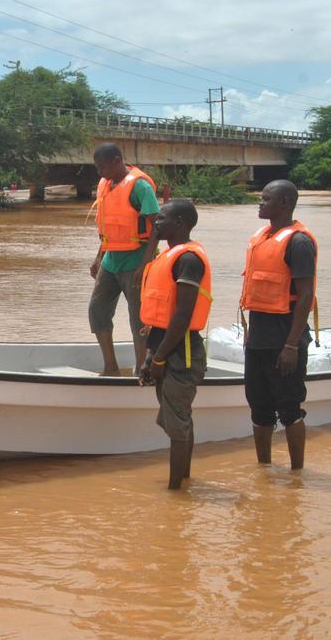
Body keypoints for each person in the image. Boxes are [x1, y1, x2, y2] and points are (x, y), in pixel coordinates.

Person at [239, 180, 316, 471]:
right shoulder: (261, 237)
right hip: (258, 340)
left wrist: (291, 345)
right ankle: (265, 472)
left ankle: (297, 476)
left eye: (266, 198)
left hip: (284, 340)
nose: (260, 203)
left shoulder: (299, 242)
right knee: (259, 408)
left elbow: (305, 295)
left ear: (285, 203)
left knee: (289, 408)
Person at [137, 200, 212, 489]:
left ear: (180, 223)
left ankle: (176, 493)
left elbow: (182, 316)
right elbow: (144, 288)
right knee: (178, 420)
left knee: (178, 423)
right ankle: (183, 481)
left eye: (162, 219)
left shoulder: (188, 259)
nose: (155, 223)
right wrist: (151, 355)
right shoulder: (166, 256)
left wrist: (160, 358)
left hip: (182, 351)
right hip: (163, 346)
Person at [89, 142, 160, 376]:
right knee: (97, 310)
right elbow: (109, 227)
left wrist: (145, 264)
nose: (100, 172)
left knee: (138, 320)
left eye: (103, 167)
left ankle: (142, 370)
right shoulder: (105, 185)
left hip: (136, 260)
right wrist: (98, 257)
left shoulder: (140, 186)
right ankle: (111, 367)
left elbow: (157, 227)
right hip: (110, 260)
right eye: (97, 168)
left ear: (117, 161)